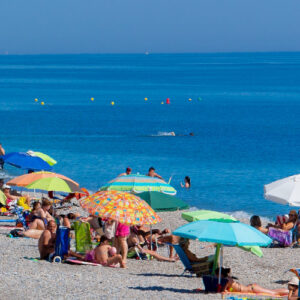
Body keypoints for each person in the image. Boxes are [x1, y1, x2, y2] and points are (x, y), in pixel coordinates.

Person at [218, 267, 288, 296]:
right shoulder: (228, 278)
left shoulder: (226, 279)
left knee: (274, 293)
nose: (216, 277)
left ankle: (291, 292)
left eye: (217, 275)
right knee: (273, 291)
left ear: (220, 274)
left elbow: (225, 290)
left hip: (252, 289)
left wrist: (224, 290)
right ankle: (291, 291)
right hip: (251, 288)